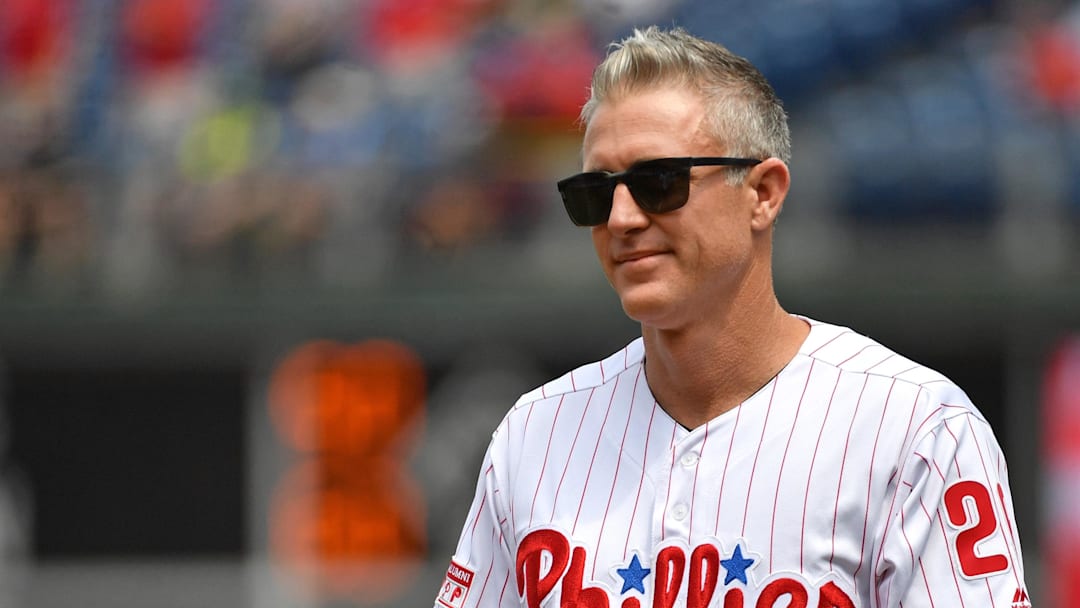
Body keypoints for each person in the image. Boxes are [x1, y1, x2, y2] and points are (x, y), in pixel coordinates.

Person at [435, 26, 1028, 608]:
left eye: (656, 181)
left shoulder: (915, 428)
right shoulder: (534, 435)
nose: (620, 219)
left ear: (763, 193)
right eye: (594, 192)